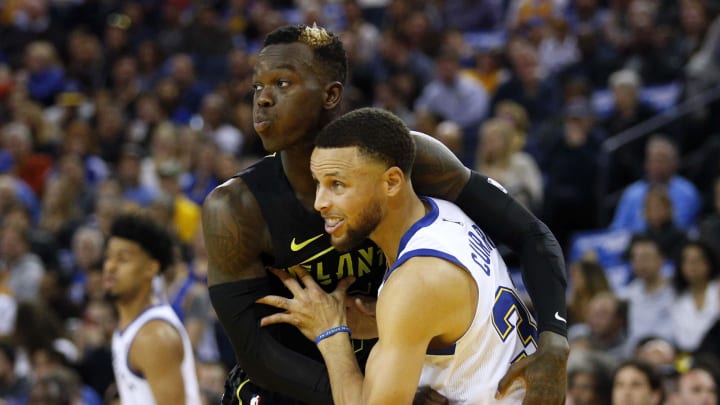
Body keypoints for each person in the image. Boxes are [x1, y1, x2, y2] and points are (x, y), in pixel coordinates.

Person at [202, 23, 568, 405]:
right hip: (299, 380)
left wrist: (555, 339)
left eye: (282, 83)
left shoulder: (407, 155)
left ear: (330, 94)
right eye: (257, 86)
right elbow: (256, 353)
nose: (262, 99)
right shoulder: (235, 208)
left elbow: (531, 234)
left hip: (391, 368)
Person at [258, 107, 539, 403]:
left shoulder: (414, 283)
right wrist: (382, 321)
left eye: (337, 184)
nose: (320, 203)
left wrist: (331, 333)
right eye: (318, 183)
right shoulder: (446, 212)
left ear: (391, 182)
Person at [104, 213, 202, 405]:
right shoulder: (131, 325)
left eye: (122, 259)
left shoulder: (154, 336)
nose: (110, 266)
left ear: (151, 268)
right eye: (108, 257)